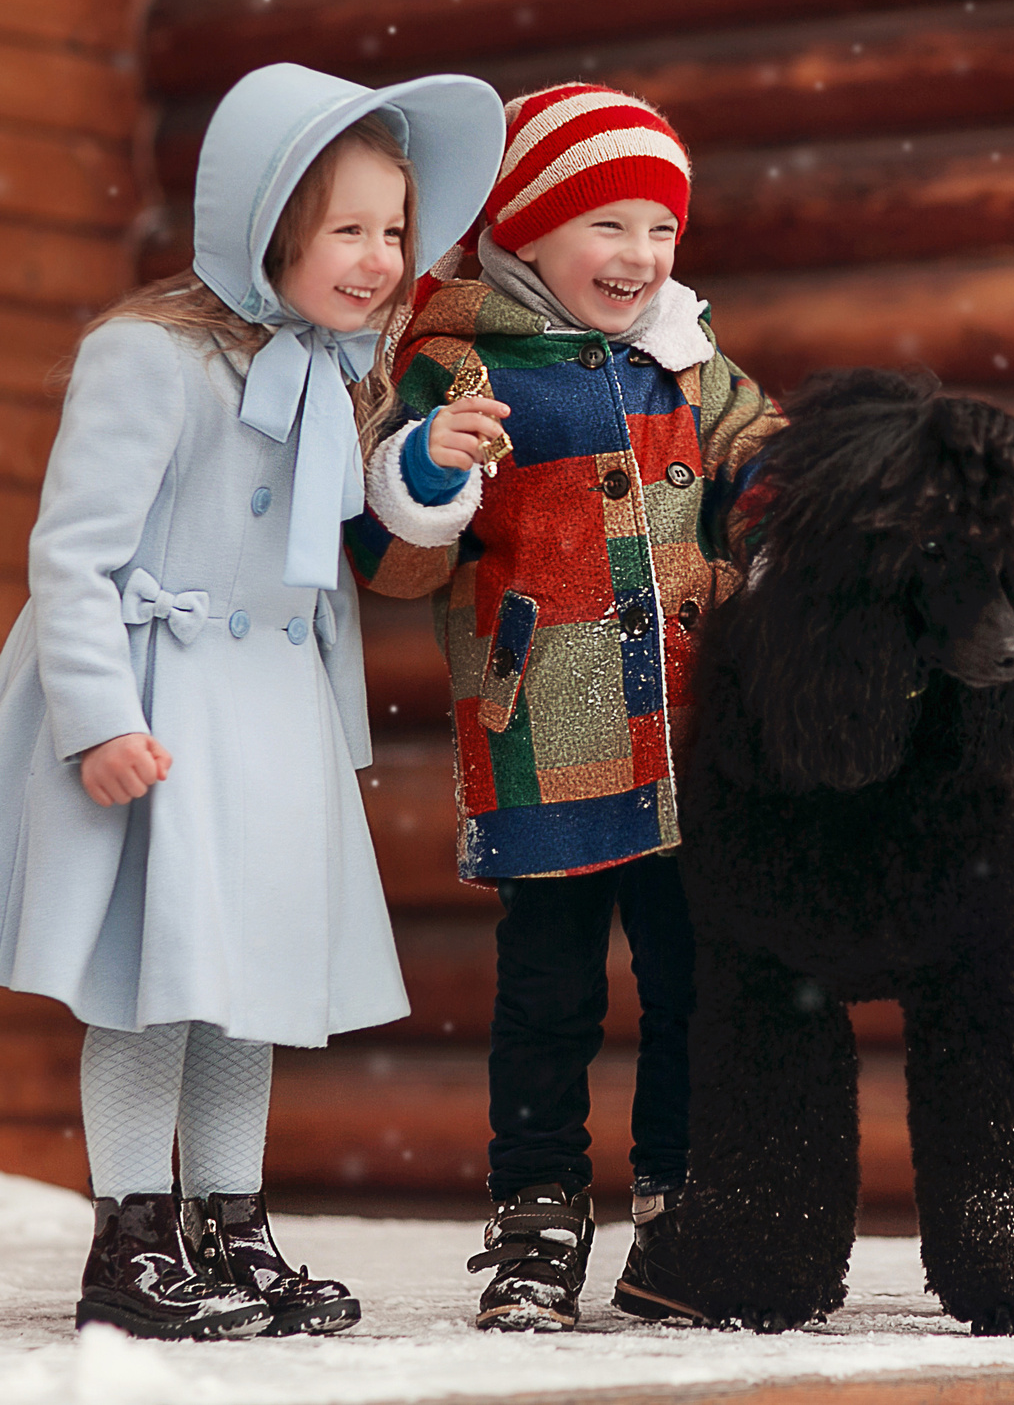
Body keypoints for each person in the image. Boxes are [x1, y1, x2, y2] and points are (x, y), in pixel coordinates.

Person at [0, 62, 505, 1340]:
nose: (380, 257)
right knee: (153, 978)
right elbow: (73, 554)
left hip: (271, 709)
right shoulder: (147, 356)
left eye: (394, 229)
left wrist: (425, 462)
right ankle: (132, 1233)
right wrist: (99, 719)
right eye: (347, 229)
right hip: (166, 698)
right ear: (266, 221)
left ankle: (233, 1220)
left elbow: (357, 508)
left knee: (250, 982)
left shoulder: (334, 369)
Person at [348, 84, 782, 1331]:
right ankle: (536, 1215)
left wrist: (778, 506)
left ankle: (678, 1205)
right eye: (609, 227)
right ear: (528, 229)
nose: (641, 258)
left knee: (689, 978)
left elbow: (762, 457)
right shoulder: (454, 357)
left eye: (661, 229)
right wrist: (428, 467)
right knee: (549, 993)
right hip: (547, 727)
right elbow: (396, 556)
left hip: (691, 740)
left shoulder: (685, 354)